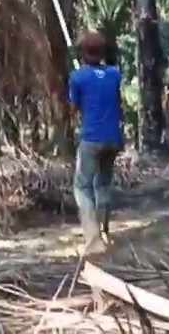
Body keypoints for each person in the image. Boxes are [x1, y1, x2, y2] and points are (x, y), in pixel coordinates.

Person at [67, 31, 123, 256]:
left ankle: (93, 241)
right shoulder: (114, 74)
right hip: (113, 138)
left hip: (91, 138)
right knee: (103, 185)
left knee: (82, 187)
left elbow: (74, 108)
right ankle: (105, 232)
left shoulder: (78, 77)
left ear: (82, 53)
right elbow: (116, 102)